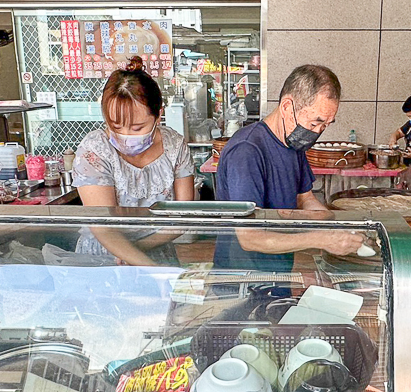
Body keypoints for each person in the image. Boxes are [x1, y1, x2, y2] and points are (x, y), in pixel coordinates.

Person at [214, 64, 364, 272]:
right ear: (286, 107)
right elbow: (250, 238)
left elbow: (305, 200)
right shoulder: (247, 151)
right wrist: (322, 239)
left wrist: (342, 227)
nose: (318, 132)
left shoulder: (293, 143)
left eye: (326, 125)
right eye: (315, 123)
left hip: (278, 271)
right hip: (242, 276)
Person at [73, 69, 194, 265]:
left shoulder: (174, 146)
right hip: (104, 258)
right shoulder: (95, 150)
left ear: (158, 115)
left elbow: (183, 218)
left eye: (137, 127)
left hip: (156, 249)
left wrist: (142, 252)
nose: (126, 135)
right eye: (116, 126)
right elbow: (102, 227)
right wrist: (150, 268)